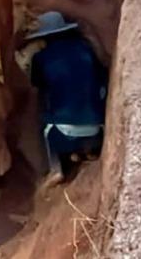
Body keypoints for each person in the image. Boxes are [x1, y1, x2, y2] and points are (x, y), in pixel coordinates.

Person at [27, 12, 108, 185]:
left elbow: (37, 86)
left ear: (44, 37)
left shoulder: (41, 58)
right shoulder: (87, 49)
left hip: (63, 133)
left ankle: (56, 168)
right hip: (98, 127)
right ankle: (87, 151)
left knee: (44, 124)